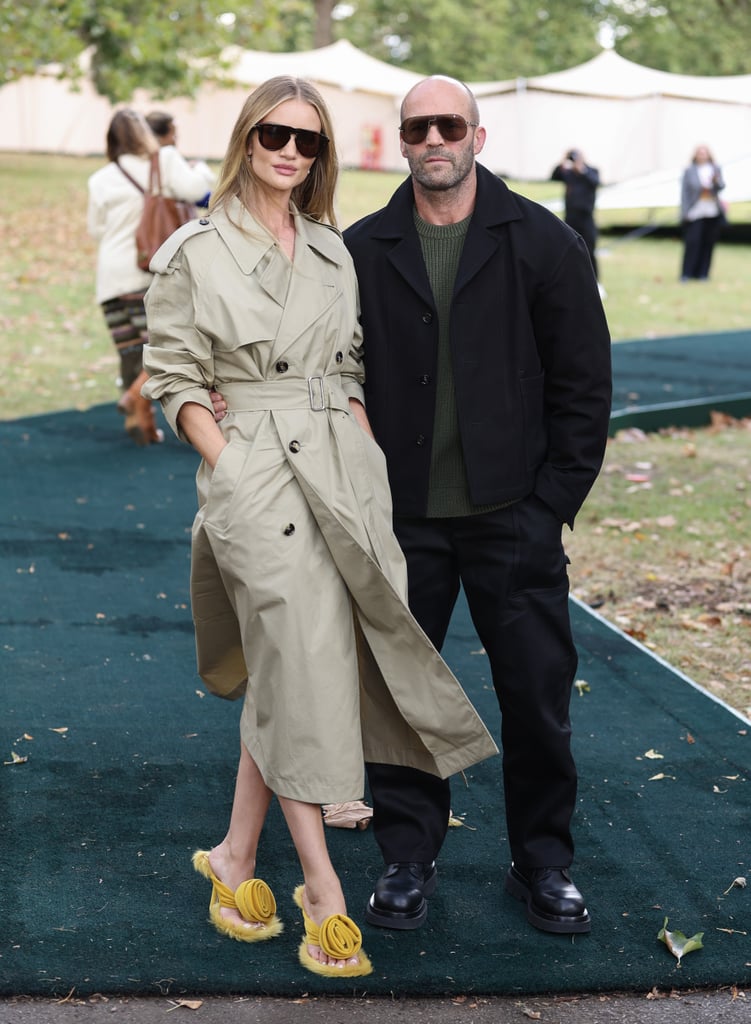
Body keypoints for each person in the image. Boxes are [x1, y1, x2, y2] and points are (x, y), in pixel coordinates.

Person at [141, 76, 497, 978]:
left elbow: (356, 369)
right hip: (256, 473)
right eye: (274, 134)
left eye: (306, 141)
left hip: (344, 467)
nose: (289, 152)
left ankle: (232, 855)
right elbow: (174, 377)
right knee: (297, 656)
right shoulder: (194, 250)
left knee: (293, 660)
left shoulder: (336, 254)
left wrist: (370, 465)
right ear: (246, 138)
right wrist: (231, 465)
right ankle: (323, 888)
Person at [342, 77, 612, 936]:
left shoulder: (543, 242)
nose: (433, 138)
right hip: (402, 516)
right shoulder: (360, 249)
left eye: (447, 124)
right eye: (417, 126)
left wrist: (549, 506)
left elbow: (584, 386)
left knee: (534, 695)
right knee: (403, 695)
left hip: (512, 515)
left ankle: (543, 862)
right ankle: (406, 856)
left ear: (476, 136)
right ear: (402, 139)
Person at [87, 109, 214, 444]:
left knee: (131, 351)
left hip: (111, 276)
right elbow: (195, 189)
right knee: (166, 347)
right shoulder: (166, 159)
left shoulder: (100, 179)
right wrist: (200, 167)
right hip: (149, 271)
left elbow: (95, 229)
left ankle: (141, 424)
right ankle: (133, 397)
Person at [145, 110, 215, 208]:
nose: (176, 139)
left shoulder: (136, 157)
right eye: (174, 133)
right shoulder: (167, 154)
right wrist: (199, 168)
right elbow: (196, 192)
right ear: (163, 136)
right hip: (163, 220)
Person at [551, 148, 601, 284]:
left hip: (586, 218)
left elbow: (595, 182)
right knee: (569, 250)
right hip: (570, 218)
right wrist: (563, 161)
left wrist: (582, 169)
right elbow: (553, 176)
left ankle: (596, 282)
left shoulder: (591, 171)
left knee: (590, 251)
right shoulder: (569, 173)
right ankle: (571, 280)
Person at [680, 144, 725, 281]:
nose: (702, 155)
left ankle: (703, 274)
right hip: (695, 211)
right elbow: (685, 193)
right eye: (700, 153)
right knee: (693, 242)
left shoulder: (715, 169)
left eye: (704, 153)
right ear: (695, 155)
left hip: (711, 210)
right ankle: (687, 273)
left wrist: (715, 181)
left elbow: (721, 187)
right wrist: (685, 211)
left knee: (708, 243)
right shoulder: (690, 170)